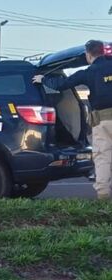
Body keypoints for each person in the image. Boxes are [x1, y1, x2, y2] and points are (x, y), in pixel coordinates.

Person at [34, 40, 112, 199]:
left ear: (88, 55)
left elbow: (61, 84)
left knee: (103, 157)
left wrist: (43, 79)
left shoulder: (89, 71)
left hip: (102, 120)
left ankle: (103, 195)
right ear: (103, 52)